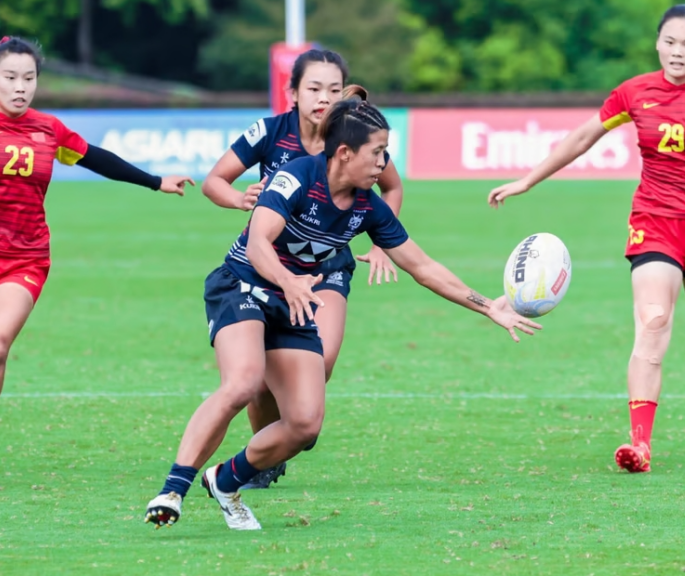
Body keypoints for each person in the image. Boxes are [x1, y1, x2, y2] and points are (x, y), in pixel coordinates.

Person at [145, 96, 542, 530]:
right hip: (243, 284)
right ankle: (172, 490)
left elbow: (423, 267)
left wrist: (488, 307)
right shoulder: (295, 177)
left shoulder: (368, 207)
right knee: (241, 382)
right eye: (378, 152)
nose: (384, 163)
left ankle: (225, 479)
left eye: (387, 152)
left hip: (296, 303)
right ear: (344, 153)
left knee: (304, 425)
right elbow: (259, 242)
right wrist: (289, 279)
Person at [487, 3, 685, 474]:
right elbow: (582, 137)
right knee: (654, 320)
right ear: (657, 43)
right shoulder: (634, 91)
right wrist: (527, 180)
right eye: (669, 42)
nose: (676, 52)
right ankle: (639, 445)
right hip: (655, 222)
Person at [0, 36, 195, 483]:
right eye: (10, 77)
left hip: (23, 259)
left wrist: (155, 180)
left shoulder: (49, 129)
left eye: (29, 78)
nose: (20, 86)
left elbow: (97, 159)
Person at [201, 48, 404, 489]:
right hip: (272, 265)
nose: (323, 98)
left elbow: (392, 188)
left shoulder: (356, 141)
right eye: (314, 88)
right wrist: (240, 199)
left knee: (322, 360)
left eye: (333, 89)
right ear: (292, 93)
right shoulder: (271, 132)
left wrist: (385, 245)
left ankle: (291, 426)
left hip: (329, 263)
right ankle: (264, 454)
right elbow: (213, 181)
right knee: (256, 380)